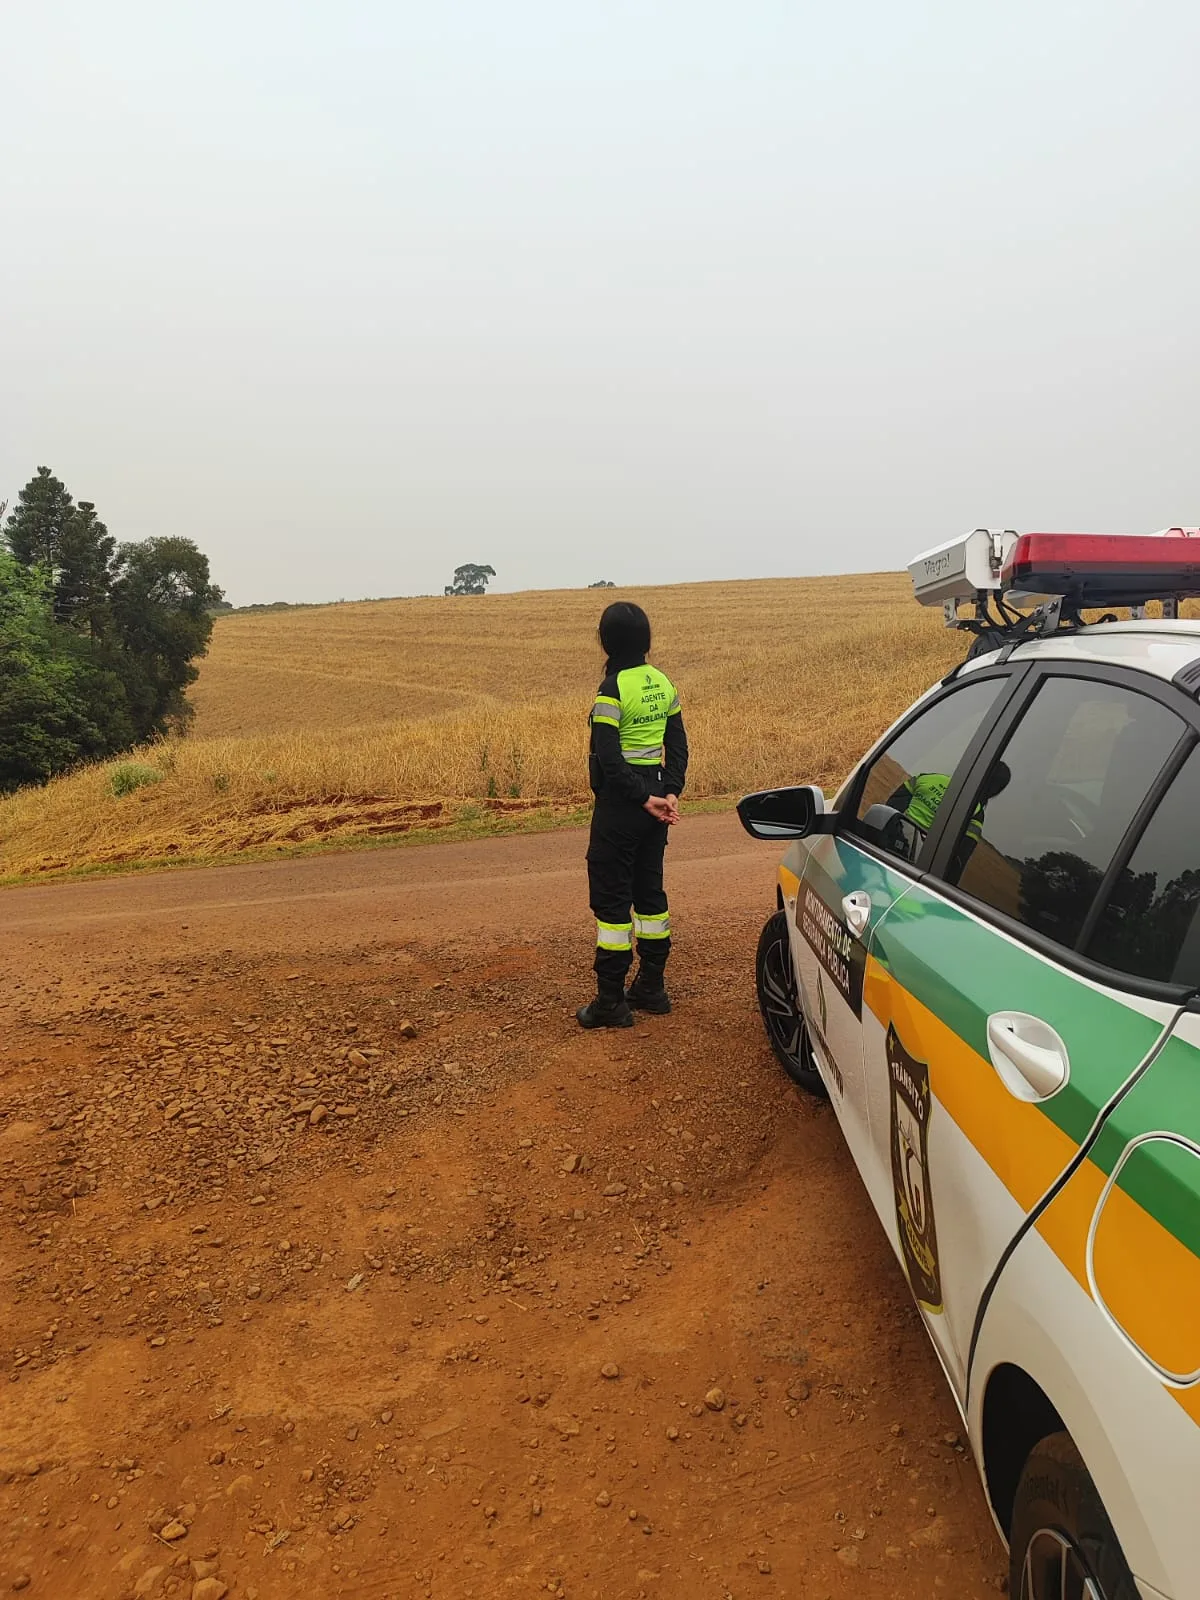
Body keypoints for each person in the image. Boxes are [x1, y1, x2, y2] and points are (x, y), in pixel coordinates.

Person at [578, 602, 689, 1029]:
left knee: (611, 900)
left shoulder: (612, 688)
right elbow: (678, 747)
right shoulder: (663, 682)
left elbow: (607, 758)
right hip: (656, 799)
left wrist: (642, 798)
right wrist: (669, 792)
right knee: (650, 894)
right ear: (645, 641)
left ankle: (610, 1001)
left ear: (606, 641)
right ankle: (651, 987)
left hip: (623, 805)